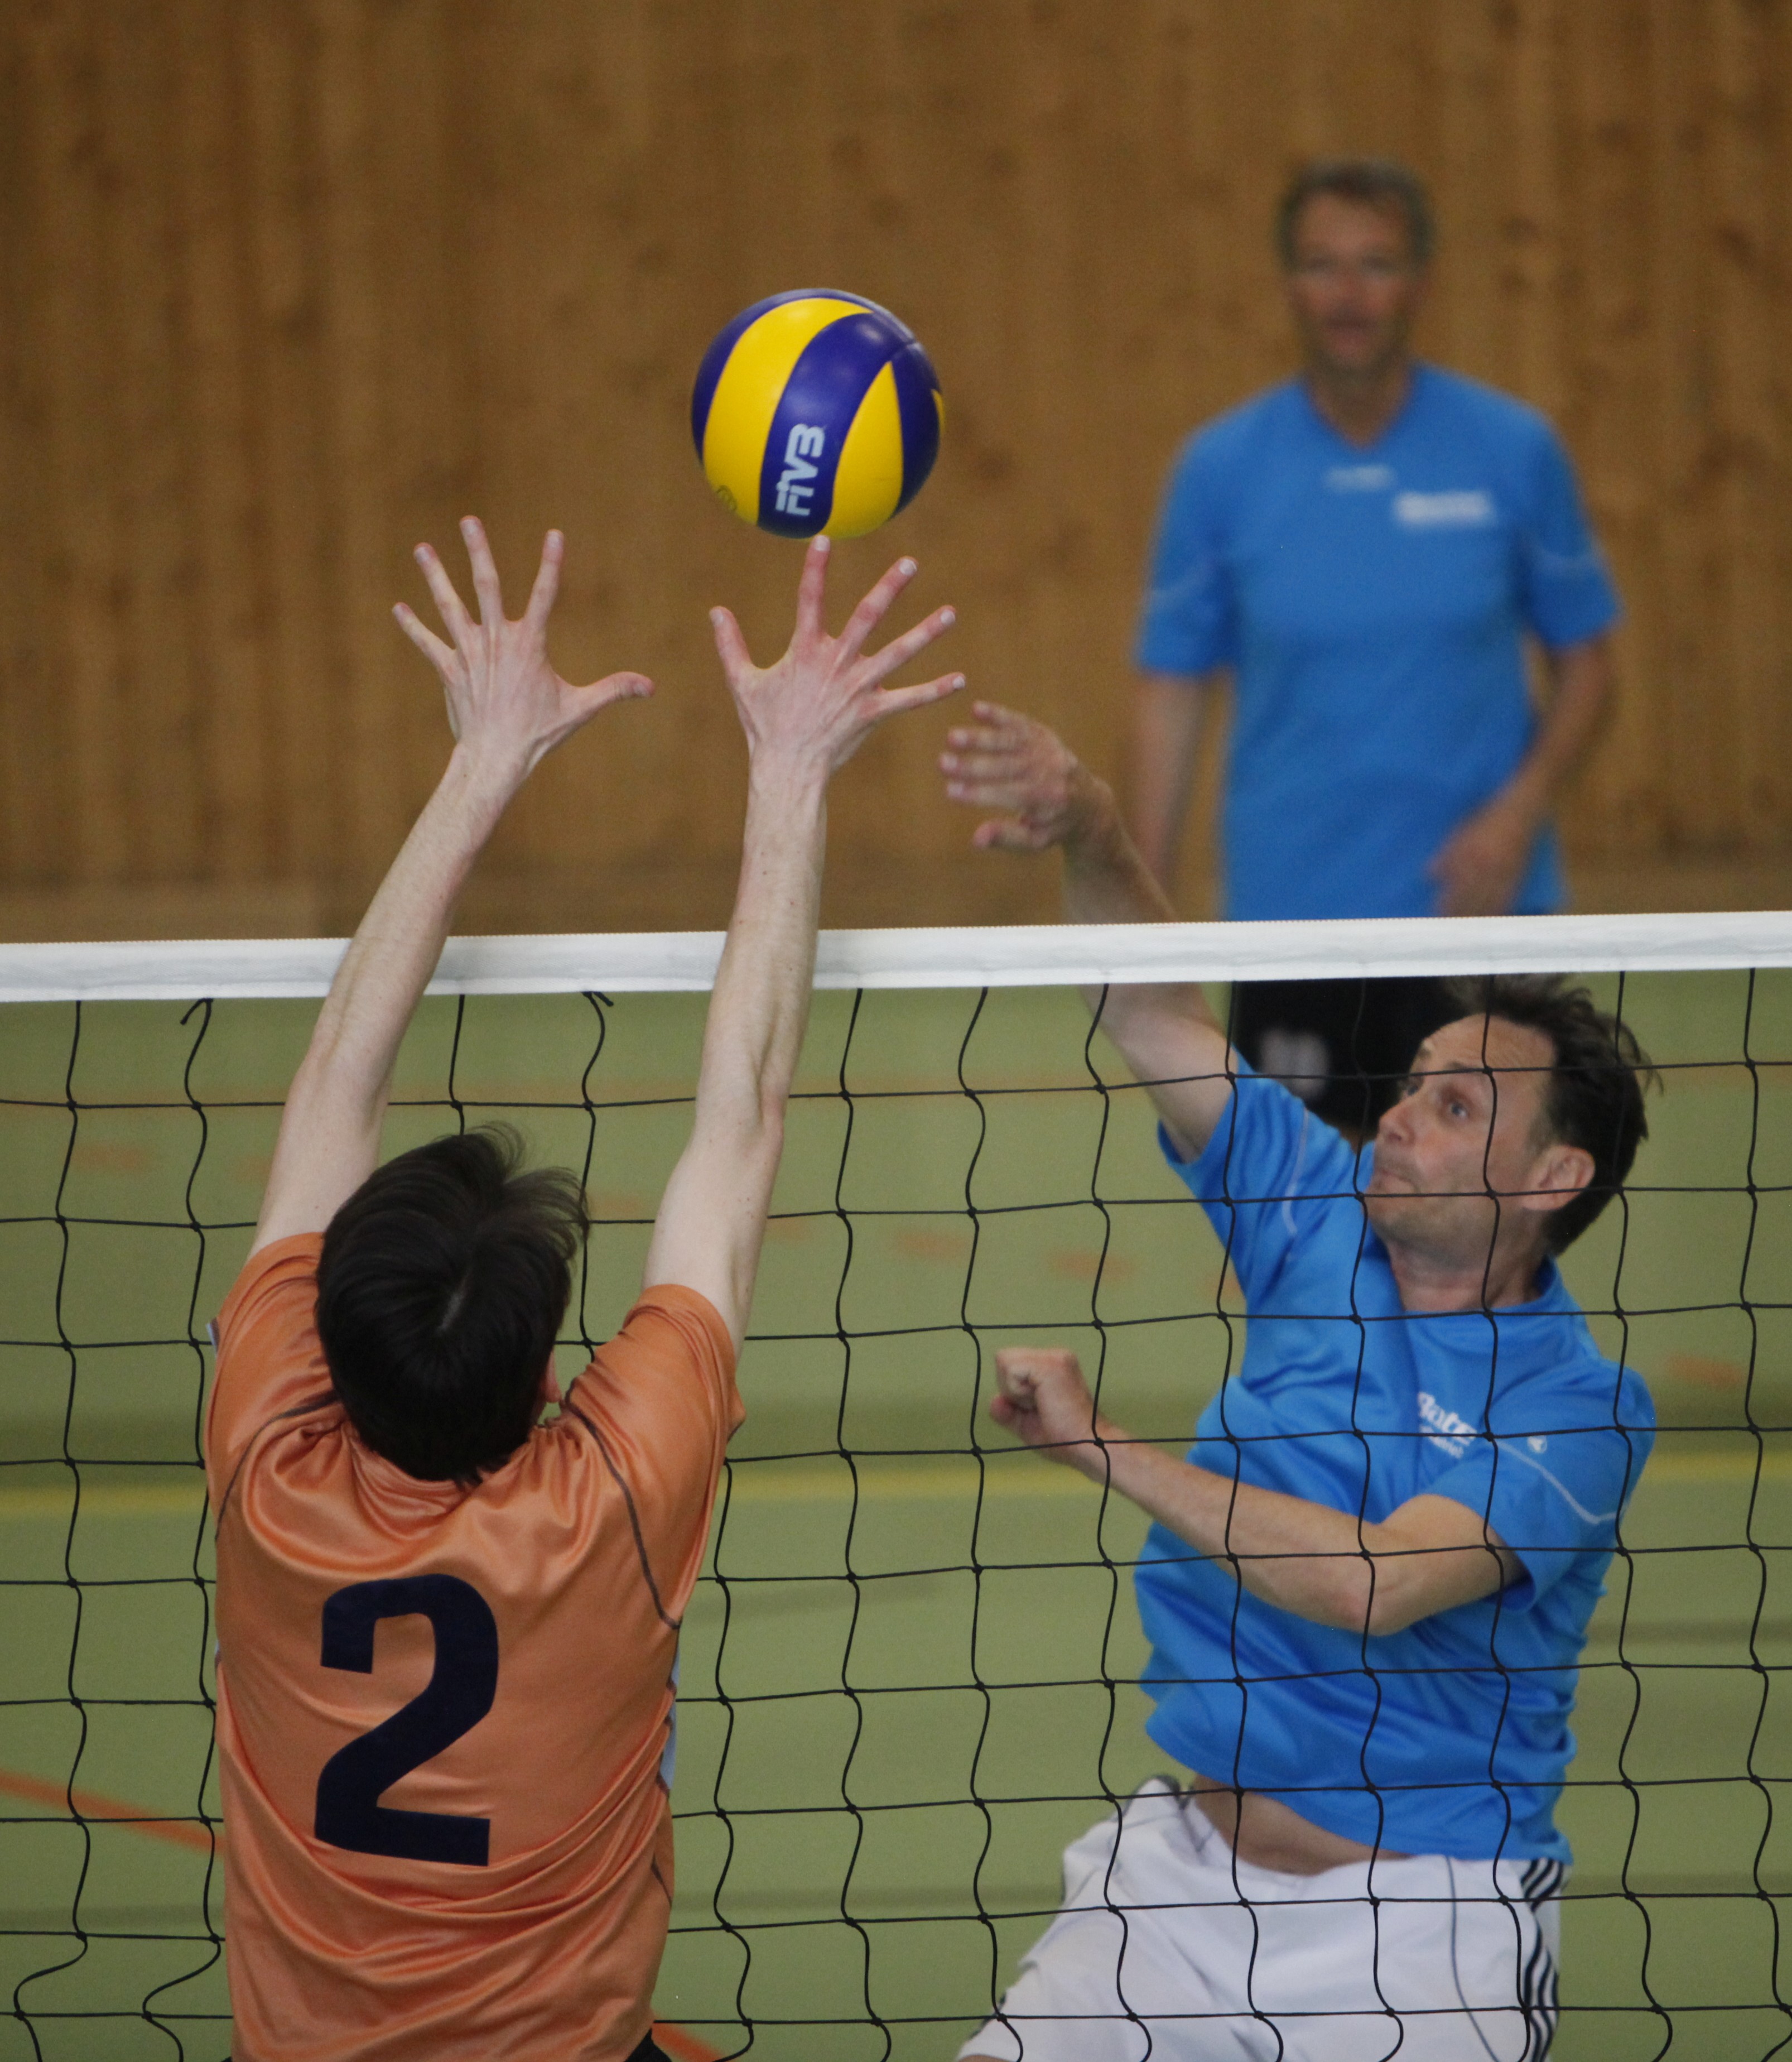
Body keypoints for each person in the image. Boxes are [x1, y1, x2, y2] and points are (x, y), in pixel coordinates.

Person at [204, 519, 960, 2062]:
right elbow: (743, 1113)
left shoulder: (266, 1461)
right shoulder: (606, 1497)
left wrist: (481, 758)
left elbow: (332, 1083)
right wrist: (791, 768)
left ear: (323, 1340)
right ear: (547, 1374)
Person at [939, 704, 1656, 2061]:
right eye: (1415, 1085)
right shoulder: (1314, 1213)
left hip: (1425, 1925)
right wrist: (1092, 824)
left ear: (1551, 1178)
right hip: (1175, 1894)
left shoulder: (1582, 1409)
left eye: (1456, 1108)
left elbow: (1371, 1585)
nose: (1398, 1115)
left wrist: (1105, 1448)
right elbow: (1152, 1009)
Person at [1129, 158, 1620, 1135]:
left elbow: (1590, 668)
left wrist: (1516, 816)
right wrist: (1137, 918)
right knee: (1295, 1212)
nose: (1349, 293)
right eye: (1322, 265)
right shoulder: (1220, 471)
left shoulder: (1512, 450)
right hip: (1294, 927)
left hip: (1481, 922)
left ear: (1421, 283)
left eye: (1377, 264)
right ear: (1289, 285)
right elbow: (1169, 693)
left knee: (1489, 1209)